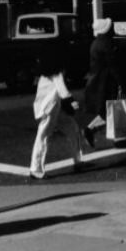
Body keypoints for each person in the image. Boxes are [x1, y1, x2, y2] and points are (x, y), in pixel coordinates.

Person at [82, 18, 126, 149]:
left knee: (109, 110)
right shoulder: (107, 44)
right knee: (119, 107)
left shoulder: (96, 43)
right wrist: (122, 82)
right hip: (108, 81)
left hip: (98, 81)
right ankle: (119, 139)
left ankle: (91, 130)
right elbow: (114, 65)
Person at [28, 44, 83, 179]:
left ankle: (78, 161)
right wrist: (73, 102)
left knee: (72, 129)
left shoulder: (46, 72)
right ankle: (36, 169)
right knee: (45, 135)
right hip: (50, 107)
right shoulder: (56, 72)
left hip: (53, 107)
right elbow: (63, 90)